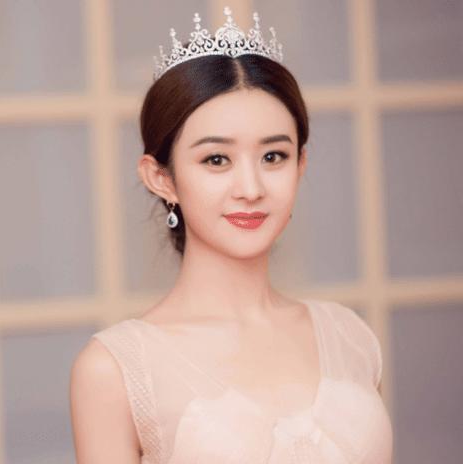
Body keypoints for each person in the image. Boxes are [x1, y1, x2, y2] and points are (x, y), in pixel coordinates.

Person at [70, 7, 393, 463]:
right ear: (161, 178)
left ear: (300, 164)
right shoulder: (115, 369)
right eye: (216, 160)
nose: (251, 188)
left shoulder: (350, 338)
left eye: (273, 157)